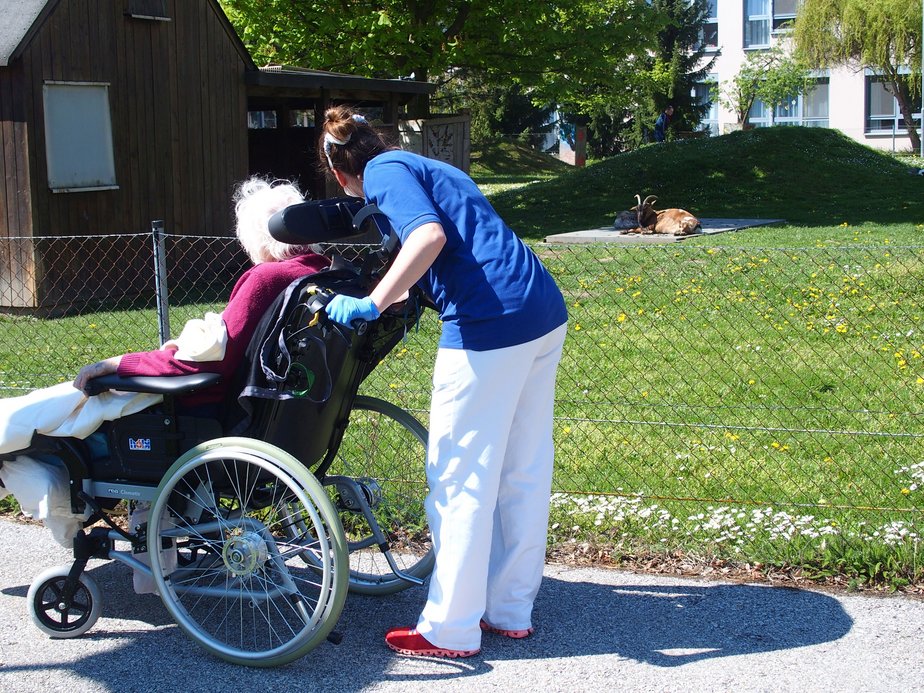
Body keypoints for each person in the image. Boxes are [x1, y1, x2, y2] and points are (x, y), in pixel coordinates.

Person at [319, 106, 568, 658]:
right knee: (522, 468)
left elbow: (428, 236)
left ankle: (450, 628)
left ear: (339, 173)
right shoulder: (428, 166)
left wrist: (372, 300)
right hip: (541, 310)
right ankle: (509, 610)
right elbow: (452, 244)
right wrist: (398, 289)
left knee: (459, 474)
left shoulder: (382, 173)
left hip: (487, 321)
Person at [73, 177, 330, 411]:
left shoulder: (267, 279)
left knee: (70, 413)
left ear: (255, 237)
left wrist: (118, 364)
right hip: (290, 407)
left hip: (211, 410)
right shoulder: (322, 271)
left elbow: (209, 362)